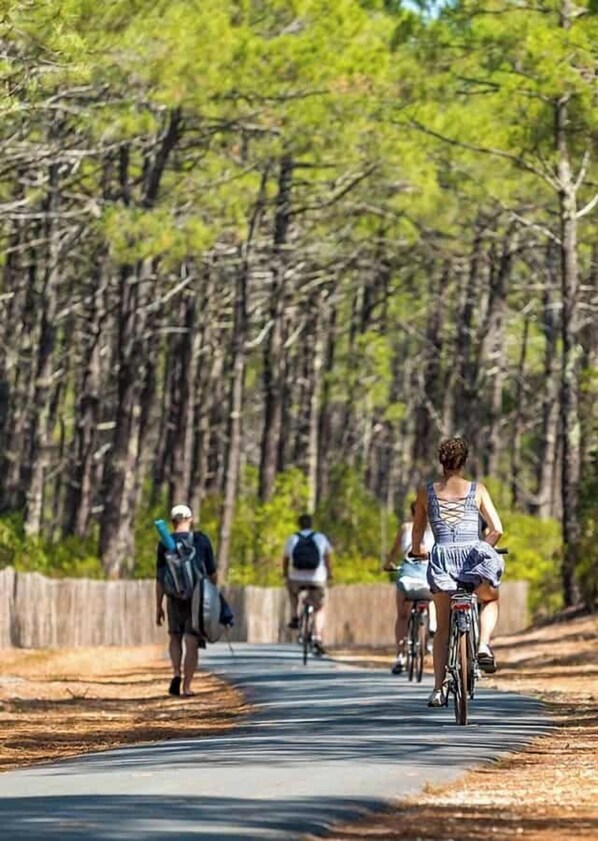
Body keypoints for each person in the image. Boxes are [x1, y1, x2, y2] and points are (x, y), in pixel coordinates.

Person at [410, 437, 504, 708]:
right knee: (490, 598)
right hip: (473, 556)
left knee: (442, 627)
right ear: (465, 461)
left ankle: (438, 689)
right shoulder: (478, 490)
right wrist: (481, 549)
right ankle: (484, 645)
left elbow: (418, 531)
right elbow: (497, 529)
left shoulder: (426, 492)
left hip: (441, 559)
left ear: (441, 461)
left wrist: (418, 550)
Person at [155, 503, 217, 697]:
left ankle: (176, 673)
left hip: (173, 597)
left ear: (172, 522)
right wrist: (213, 596)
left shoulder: (164, 543)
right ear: (190, 519)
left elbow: (159, 578)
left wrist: (158, 606)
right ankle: (187, 686)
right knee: (191, 641)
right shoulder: (201, 540)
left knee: (174, 636)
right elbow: (213, 573)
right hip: (197, 597)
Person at [384, 501, 436, 674]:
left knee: (402, 616)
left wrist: (388, 564)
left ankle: (401, 655)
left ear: (413, 513)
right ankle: (430, 630)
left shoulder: (406, 528)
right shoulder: (437, 530)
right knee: (436, 595)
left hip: (408, 578)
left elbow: (394, 552)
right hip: (428, 579)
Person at [283, 514, 333, 657]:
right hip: (317, 579)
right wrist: (329, 574)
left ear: (299, 524)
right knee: (319, 608)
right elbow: (327, 559)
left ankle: (294, 616)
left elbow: (285, 559)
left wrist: (286, 574)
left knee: (293, 593)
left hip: (296, 577)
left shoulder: (292, 538)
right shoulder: (321, 538)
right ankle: (317, 637)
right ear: (312, 524)